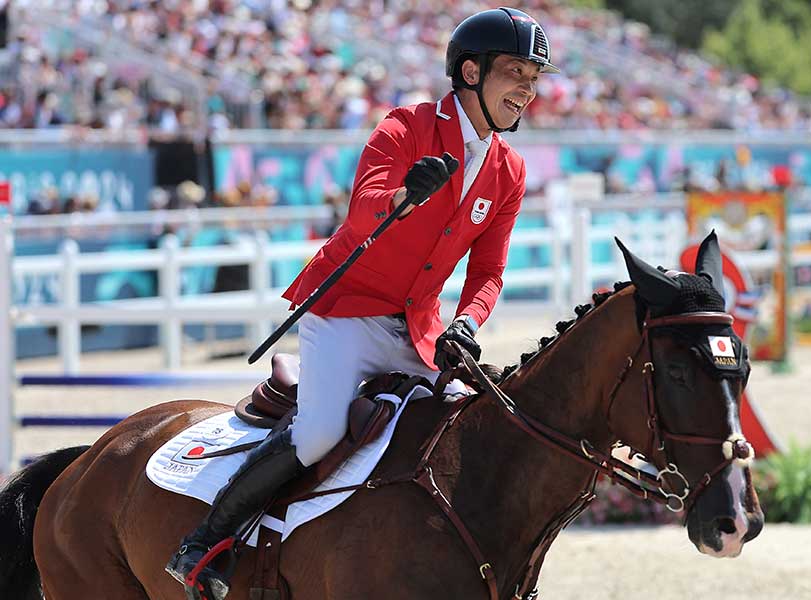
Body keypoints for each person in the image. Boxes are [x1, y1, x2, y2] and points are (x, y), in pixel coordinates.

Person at [166, 7, 559, 599]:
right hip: (346, 310)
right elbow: (364, 208)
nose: (527, 90)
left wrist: (467, 322)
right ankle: (206, 542)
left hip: (418, 329)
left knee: (465, 427)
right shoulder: (405, 126)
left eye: (534, 77)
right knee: (320, 433)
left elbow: (490, 271)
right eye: (515, 73)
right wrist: (405, 196)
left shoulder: (510, 170)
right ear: (471, 72)